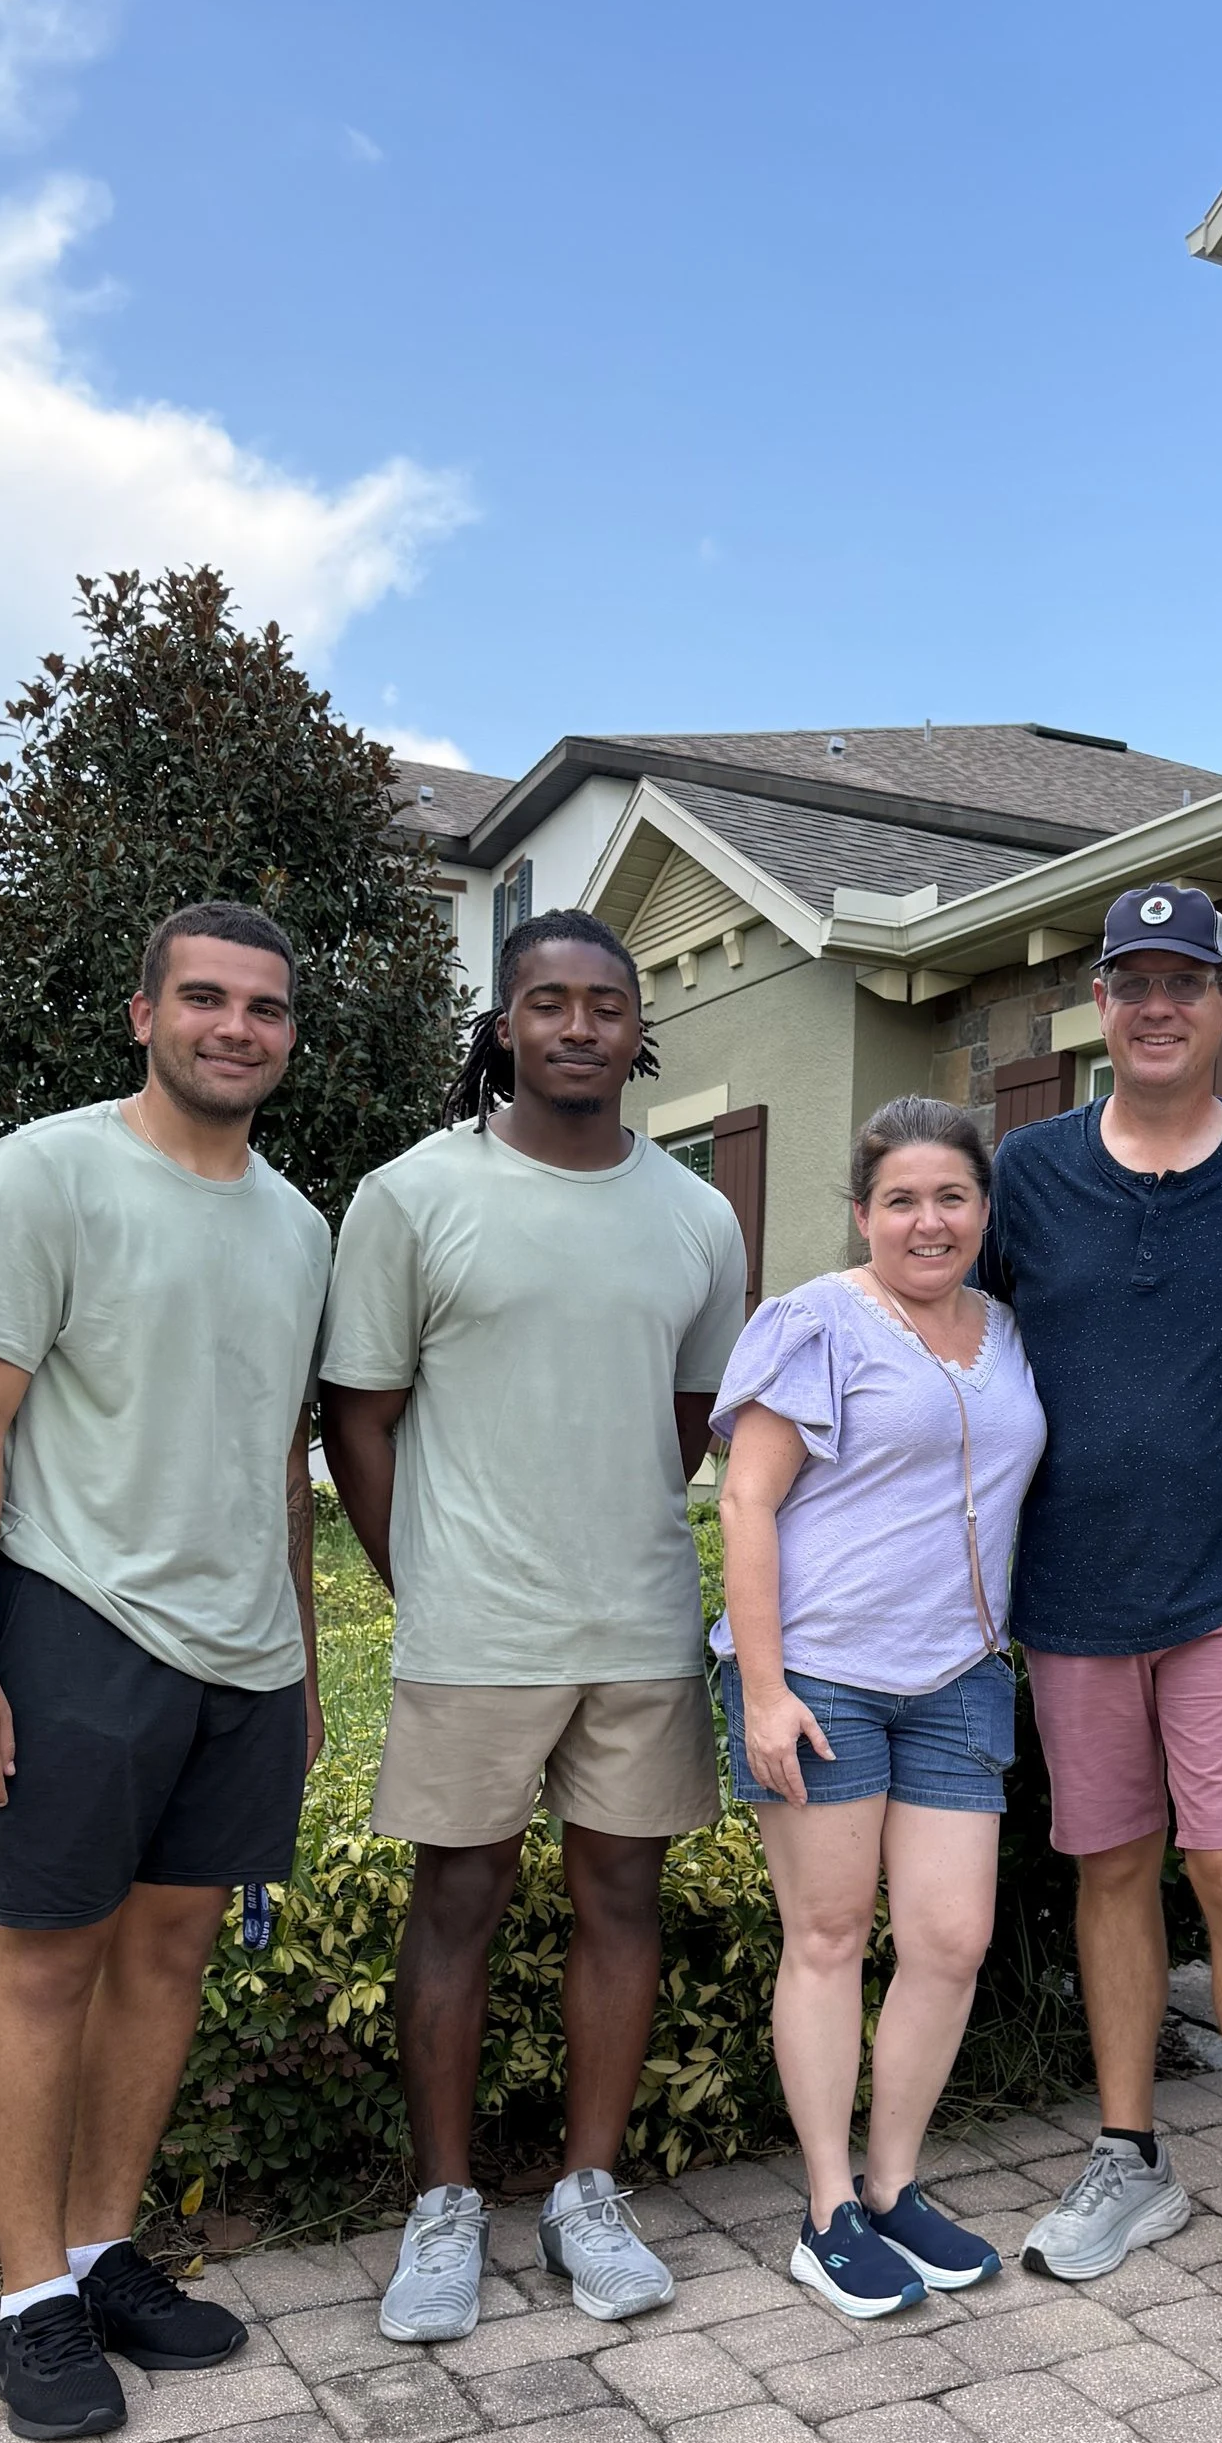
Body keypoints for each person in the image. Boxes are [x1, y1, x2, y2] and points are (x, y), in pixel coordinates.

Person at [0, 901, 332, 2442]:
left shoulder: (301, 1226)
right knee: (44, 1958)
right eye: (207, 999)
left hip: (240, 1656)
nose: (238, 1028)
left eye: (266, 1008)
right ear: (143, 1013)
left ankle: (98, 2252)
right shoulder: (50, 1171)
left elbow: (283, 1461)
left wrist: (293, 1658)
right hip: (75, 1623)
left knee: (167, 1961)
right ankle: (27, 2299)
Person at [320, 909, 747, 2344]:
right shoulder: (412, 1194)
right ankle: (443, 2207)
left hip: (635, 1619)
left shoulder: (697, 1214)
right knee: (459, 1902)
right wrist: (418, 1578)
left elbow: (686, 1423)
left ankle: (587, 2190)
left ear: (639, 1031)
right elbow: (357, 1416)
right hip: (475, 1630)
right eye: (546, 1003)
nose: (577, 1026)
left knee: (626, 1900)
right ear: (503, 1026)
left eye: (604, 1005)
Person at [980, 881, 1222, 2320]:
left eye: (1180, 982)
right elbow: (960, 1325)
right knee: (1113, 1868)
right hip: (1069, 1592)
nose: (1153, 1005)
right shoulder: (1028, 1172)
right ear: (1099, 1006)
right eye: (1128, 981)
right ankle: (1129, 2155)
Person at [713, 1096, 1047, 2316]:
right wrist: (762, 1690)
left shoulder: (1006, 1332)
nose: (928, 1220)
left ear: (981, 1212)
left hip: (960, 1675)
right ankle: (825, 2210)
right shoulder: (814, 1323)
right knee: (829, 1937)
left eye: (951, 1196)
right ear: (863, 1213)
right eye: (900, 1199)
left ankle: (897, 2188)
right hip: (824, 1676)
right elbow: (746, 1504)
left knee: (950, 1942)